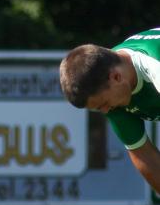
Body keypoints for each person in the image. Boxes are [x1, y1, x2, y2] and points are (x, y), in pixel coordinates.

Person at [60, 31, 160, 195]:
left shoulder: (154, 65)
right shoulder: (111, 82)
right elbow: (144, 155)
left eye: (104, 104)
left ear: (116, 77)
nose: (106, 110)